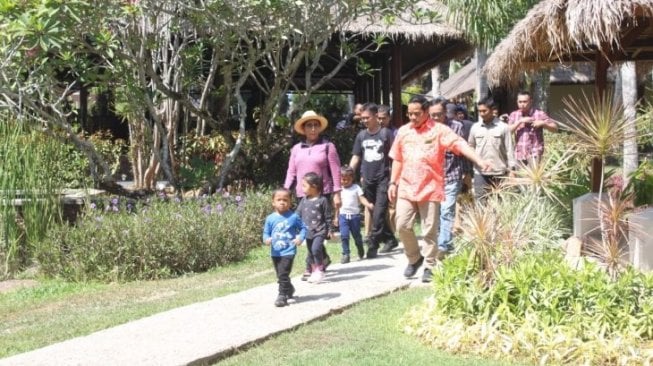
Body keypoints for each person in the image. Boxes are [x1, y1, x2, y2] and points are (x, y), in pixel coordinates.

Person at [388, 96, 491, 283]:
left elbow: (460, 144)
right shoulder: (403, 131)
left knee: (429, 230)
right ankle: (414, 258)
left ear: (426, 112)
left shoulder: (439, 130)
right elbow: (397, 158)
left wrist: (479, 160)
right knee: (402, 225)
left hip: (430, 186)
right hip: (405, 186)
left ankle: (429, 264)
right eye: (409, 113)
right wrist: (392, 183)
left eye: (416, 113)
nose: (412, 117)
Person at [284, 110, 341, 277]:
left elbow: (335, 170)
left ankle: (311, 265)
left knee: (318, 229)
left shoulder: (327, 147)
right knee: (307, 230)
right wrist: (285, 191)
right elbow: (291, 172)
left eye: (316, 125)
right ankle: (322, 259)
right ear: (304, 128)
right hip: (303, 194)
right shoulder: (296, 149)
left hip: (322, 194)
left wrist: (337, 193)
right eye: (309, 125)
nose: (313, 129)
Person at [350, 103, 398, 258]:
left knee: (379, 211)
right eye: (362, 118)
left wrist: (394, 179)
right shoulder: (361, 136)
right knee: (373, 209)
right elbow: (356, 156)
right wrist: (349, 173)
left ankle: (373, 243)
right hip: (367, 180)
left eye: (367, 118)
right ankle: (390, 239)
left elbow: (395, 157)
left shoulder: (386, 134)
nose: (364, 121)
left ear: (376, 117)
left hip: (384, 178)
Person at [432, 102, 466, 257]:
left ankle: (443, 245)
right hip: (432, 178)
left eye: (439, 114)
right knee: (434, 213)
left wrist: (467, 172)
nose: (436, 117)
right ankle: (441, 240)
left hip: (452, 174)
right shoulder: (426, 129)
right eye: (432, 115)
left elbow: (463, 150)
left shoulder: (457, 127)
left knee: (446, 211)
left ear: (445, 113)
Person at [263, 188, 307, 307]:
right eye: (279, 200)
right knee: (280, 275)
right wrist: (266, 239)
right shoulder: (270, 218)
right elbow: (266, 233)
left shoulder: (293, 217)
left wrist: (300, 238)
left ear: (290, 202)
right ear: (273, 202)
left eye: (285, 200)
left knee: (283, 274)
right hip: (275, 252)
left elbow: (303, 228)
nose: (282, 202)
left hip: (289, 250)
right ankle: (289, 288)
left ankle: (282, 296)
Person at [468, 97, 517, 200]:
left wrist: (512, 171)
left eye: (484, 111)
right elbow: (471, 146)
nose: (481, 114)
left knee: (500, 204)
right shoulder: (475, 128)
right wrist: (476, 160)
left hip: (500, 172)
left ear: (492, 110)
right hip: (480, 173)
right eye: (479, 111)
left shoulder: (503, 127)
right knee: (481, 202)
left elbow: (509, 149)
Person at [295, 172, 333, 284]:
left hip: (320, 230)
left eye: (304, 185)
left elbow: (328, 216)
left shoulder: (323, 200)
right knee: (311, 252)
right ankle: (314, 271)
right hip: (308, 231)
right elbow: (297, 214)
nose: (302, 188)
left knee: (316, 249)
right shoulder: (304, 200)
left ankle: (320, 270)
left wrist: (330, 229)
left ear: (314, 186)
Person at [508, 91, 558, 167]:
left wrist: (543, 123)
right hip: (519, 154)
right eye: (520, 102)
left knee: (533, 178)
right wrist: (519, 121)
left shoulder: (539, 114)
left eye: (525, 102)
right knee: (520, 178)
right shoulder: (514, 115)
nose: (522, 104)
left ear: (531, 101)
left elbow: (555, 129)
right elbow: (507, 132)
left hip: (534, 154)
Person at [335, 165, 374, 263]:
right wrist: (336, 217)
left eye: (347, 179)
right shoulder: (339, 190)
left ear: (352, 178)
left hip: (355, 216)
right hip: (343, 216)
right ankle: (346, 254)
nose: (344, 182)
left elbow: (362, 198)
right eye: (343, 179)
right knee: (344, 236)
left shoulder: (356, 188)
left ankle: (360, 248)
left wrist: (368, 204)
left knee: (357, 236)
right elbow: (337, 205)